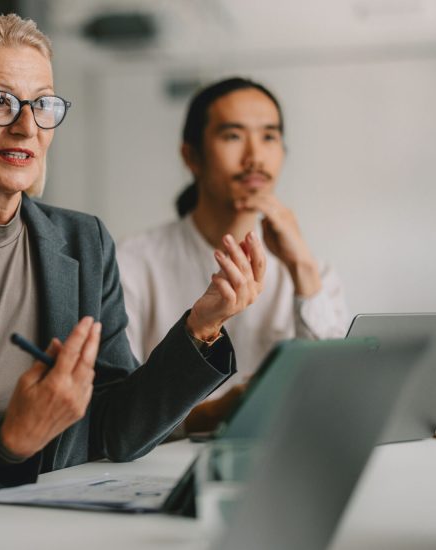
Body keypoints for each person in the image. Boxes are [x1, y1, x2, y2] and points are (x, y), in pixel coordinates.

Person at [0, 12, 266, 504]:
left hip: (50, 502)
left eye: (42, 104)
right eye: (0, 102)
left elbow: (118, 428)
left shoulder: (84, 241)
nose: (27, 126)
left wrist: (202, 327)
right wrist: (11, 441)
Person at [117, 77, 350, 430]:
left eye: (269, 136)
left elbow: (334, 396)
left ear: (283, 154)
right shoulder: (131, 263)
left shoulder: (314, 272)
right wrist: (214, 413)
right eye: (233, 136)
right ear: (191, 156)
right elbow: (117, 412)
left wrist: (301, 267)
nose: (255, 157)